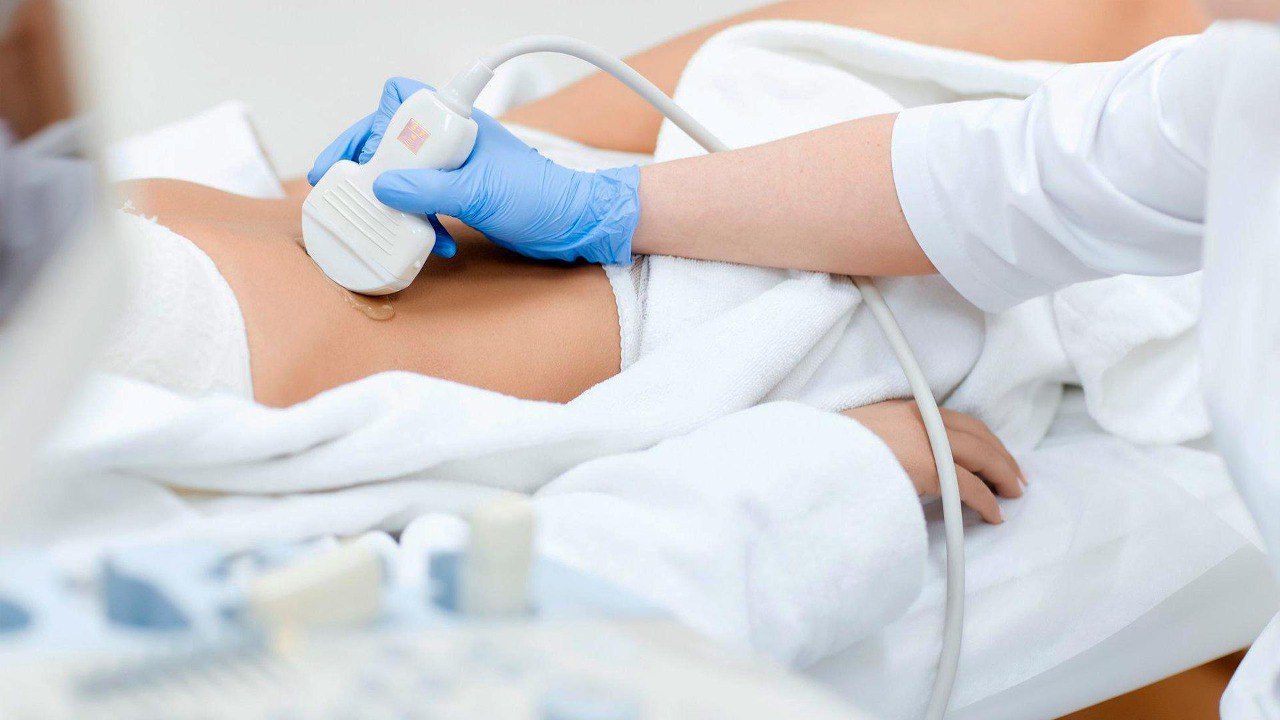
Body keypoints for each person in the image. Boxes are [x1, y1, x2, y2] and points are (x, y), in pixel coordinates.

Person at [308, 0, 1277, 713]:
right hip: (707, 290)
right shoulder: (1243, 70)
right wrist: (608, 207)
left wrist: (826, 471)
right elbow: (1011, 176)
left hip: (736, 325)